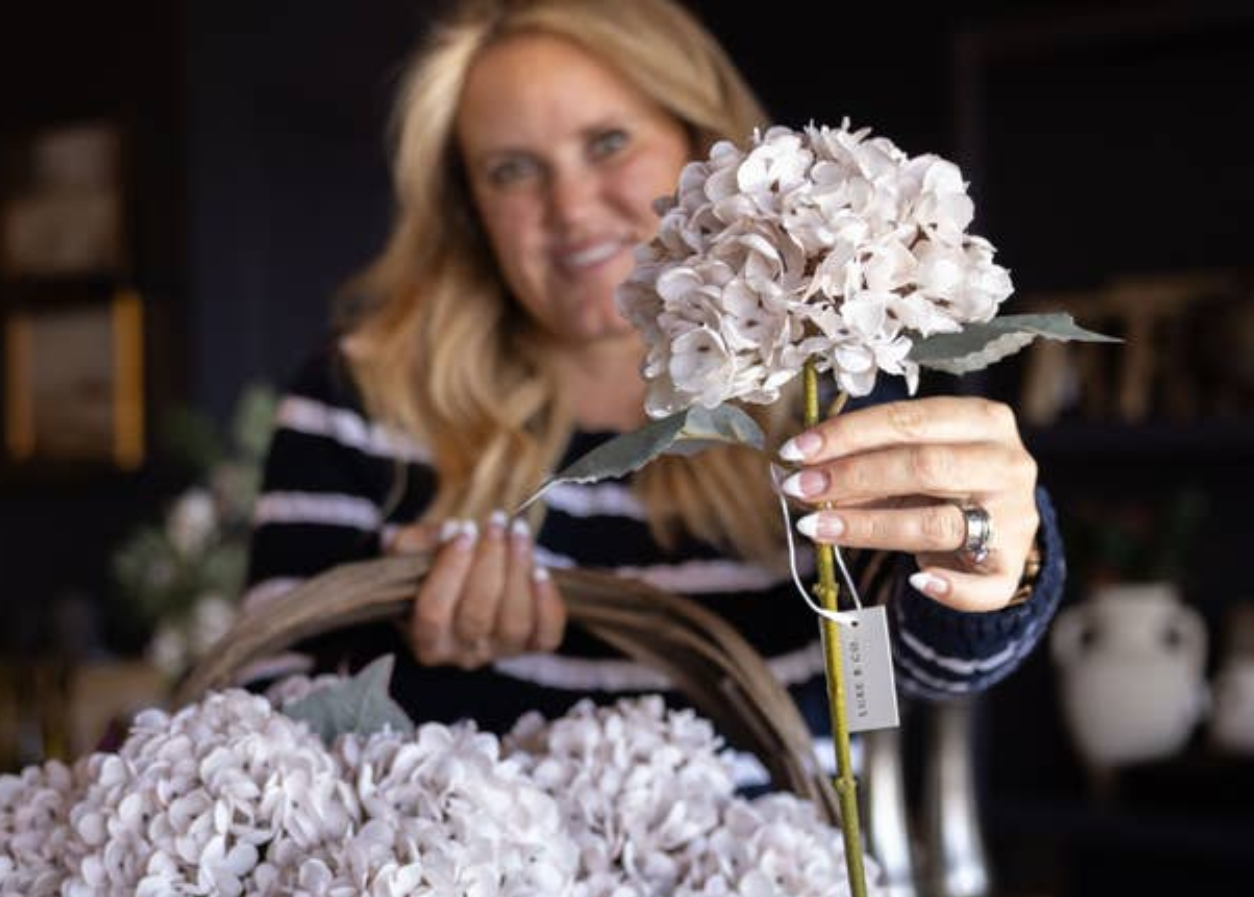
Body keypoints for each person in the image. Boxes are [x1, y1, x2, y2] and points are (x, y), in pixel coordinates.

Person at [242, 0, 1064, 794]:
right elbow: (253, 726)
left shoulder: (824, 383)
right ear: (468, 208)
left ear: (704, 144)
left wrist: (992, 554)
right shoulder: (362, 398)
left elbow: (929, 664)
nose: (569, 210)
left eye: (608, 143)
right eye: (511, 171)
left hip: (768, 885)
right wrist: (394, 633)